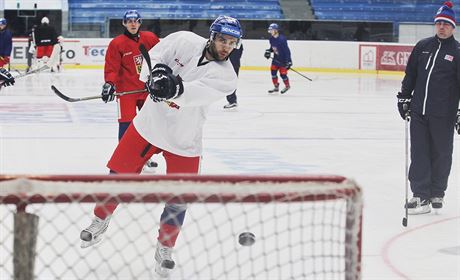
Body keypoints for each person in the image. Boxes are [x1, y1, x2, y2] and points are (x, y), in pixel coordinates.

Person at [80, 15, 242, 277]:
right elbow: (153, 56)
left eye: (232, 42)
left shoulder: (226, 77)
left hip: (184, 139)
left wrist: (171, 87)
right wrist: (154, 73)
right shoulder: (184, 40)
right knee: (117, 177)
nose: (226, 46)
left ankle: (164, 249)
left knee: (179, 200)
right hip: (148, 125)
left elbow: (190, 95)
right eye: (222, 39)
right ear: (212, 36)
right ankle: (99, 221)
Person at [397, 1, 460, 215]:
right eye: (439, 23)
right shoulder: (423, 46)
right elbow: (411, 75)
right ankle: (420, 195)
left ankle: (437, 192)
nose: (442, 26)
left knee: (441, 153)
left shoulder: (458, 51)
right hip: (418, 111)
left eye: (446, 23)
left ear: (453, 26)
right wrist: (404, 97)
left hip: (444, 114)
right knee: (420, 153)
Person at [99, 10, 160, 171]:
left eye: (136, 20)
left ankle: (146, 158)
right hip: (126, 91)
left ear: (140, 22)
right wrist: (109, 84)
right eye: (130, 21)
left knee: (150, 124)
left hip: (147, 89)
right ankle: (126, 159)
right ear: (124, 23)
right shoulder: (117, 43)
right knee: (126, 126)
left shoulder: (151, 38)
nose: (133, 24)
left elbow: (161, 57)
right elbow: (111, 66)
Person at [264, 23, 292, 94]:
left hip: (283, 60)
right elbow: (273, 48)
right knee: (273, 73)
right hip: (275, 59)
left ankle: (287, 85)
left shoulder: (282, 39)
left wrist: (289, 61)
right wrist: (269, 51)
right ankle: (276, 87)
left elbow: (287, 51)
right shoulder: (271, 39)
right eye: (270, 30)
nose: (270, 32)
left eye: (272, 30)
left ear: (276, 30)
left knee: (283, 74)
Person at [223, 43, 243, 109]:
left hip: (231, 65)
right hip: (234, 64)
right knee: (229, 82)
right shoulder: (238, 42)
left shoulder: (231, 43)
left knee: (229, 82)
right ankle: (232, 100)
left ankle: (232, 100)